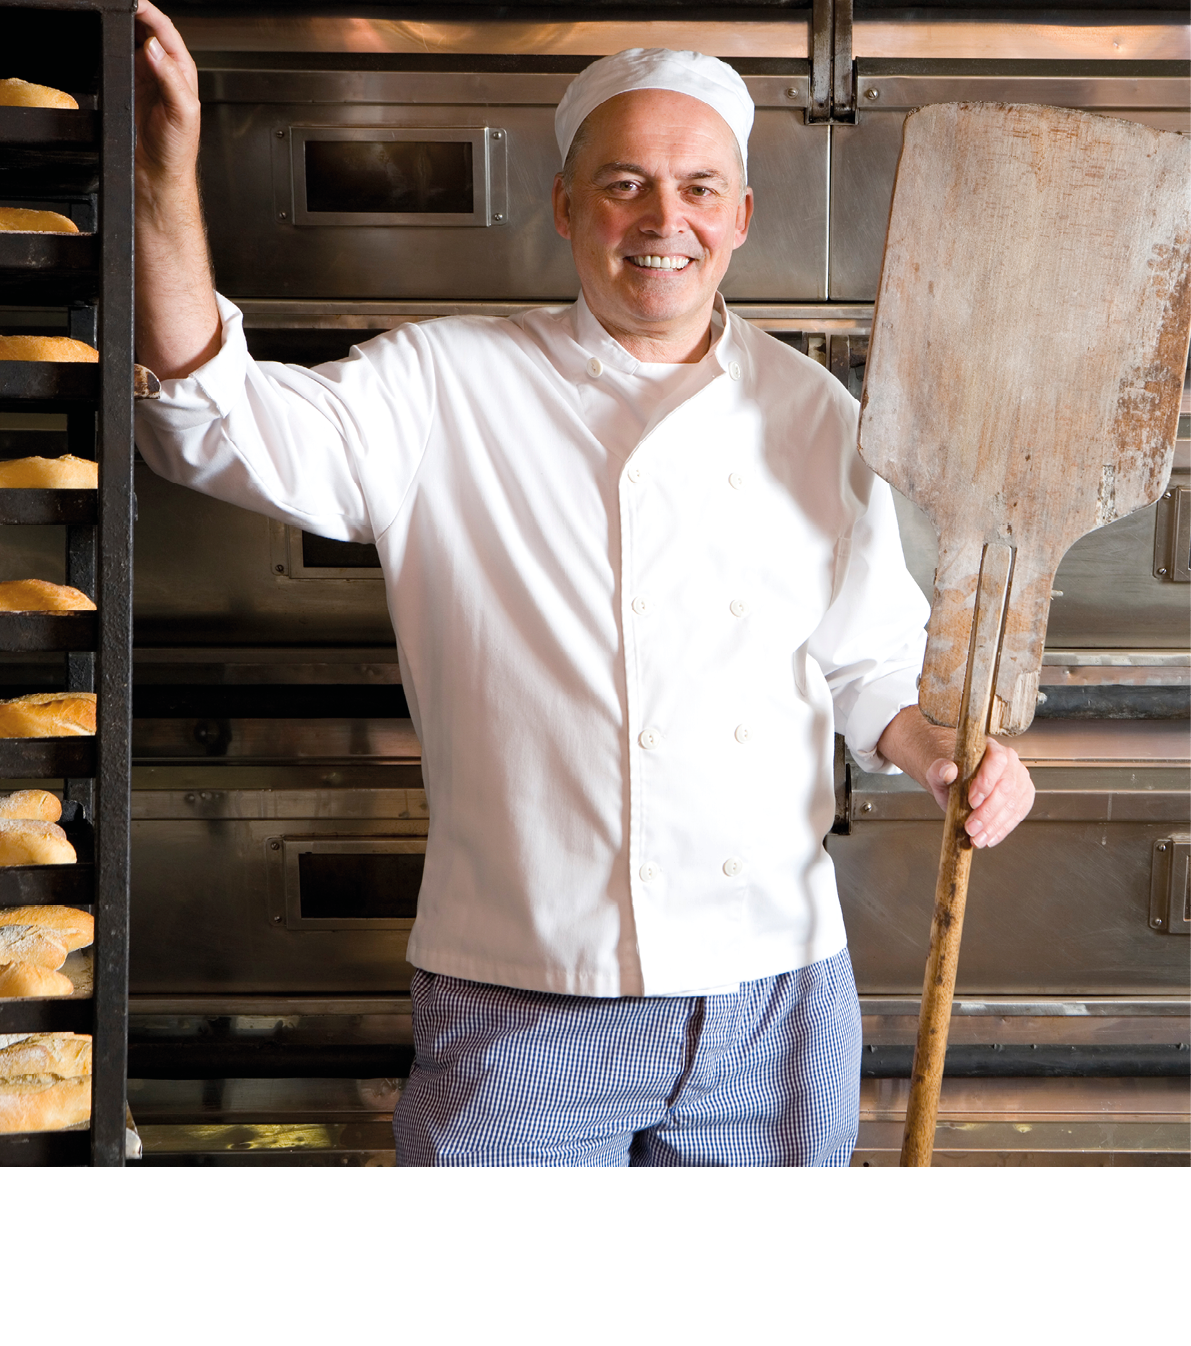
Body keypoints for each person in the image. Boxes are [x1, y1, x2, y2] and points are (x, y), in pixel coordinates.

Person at [132, 4, 1036, 1166]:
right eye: (626, 184)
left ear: (743, 216)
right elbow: (213, 424)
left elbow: (868, 664)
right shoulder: (444, 384)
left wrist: (942, 748)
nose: (666, 220)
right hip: (524, 993)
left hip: (775, 992)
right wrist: (165, 176)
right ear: (566, 207)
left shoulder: (819, 413)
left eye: (702, 188)